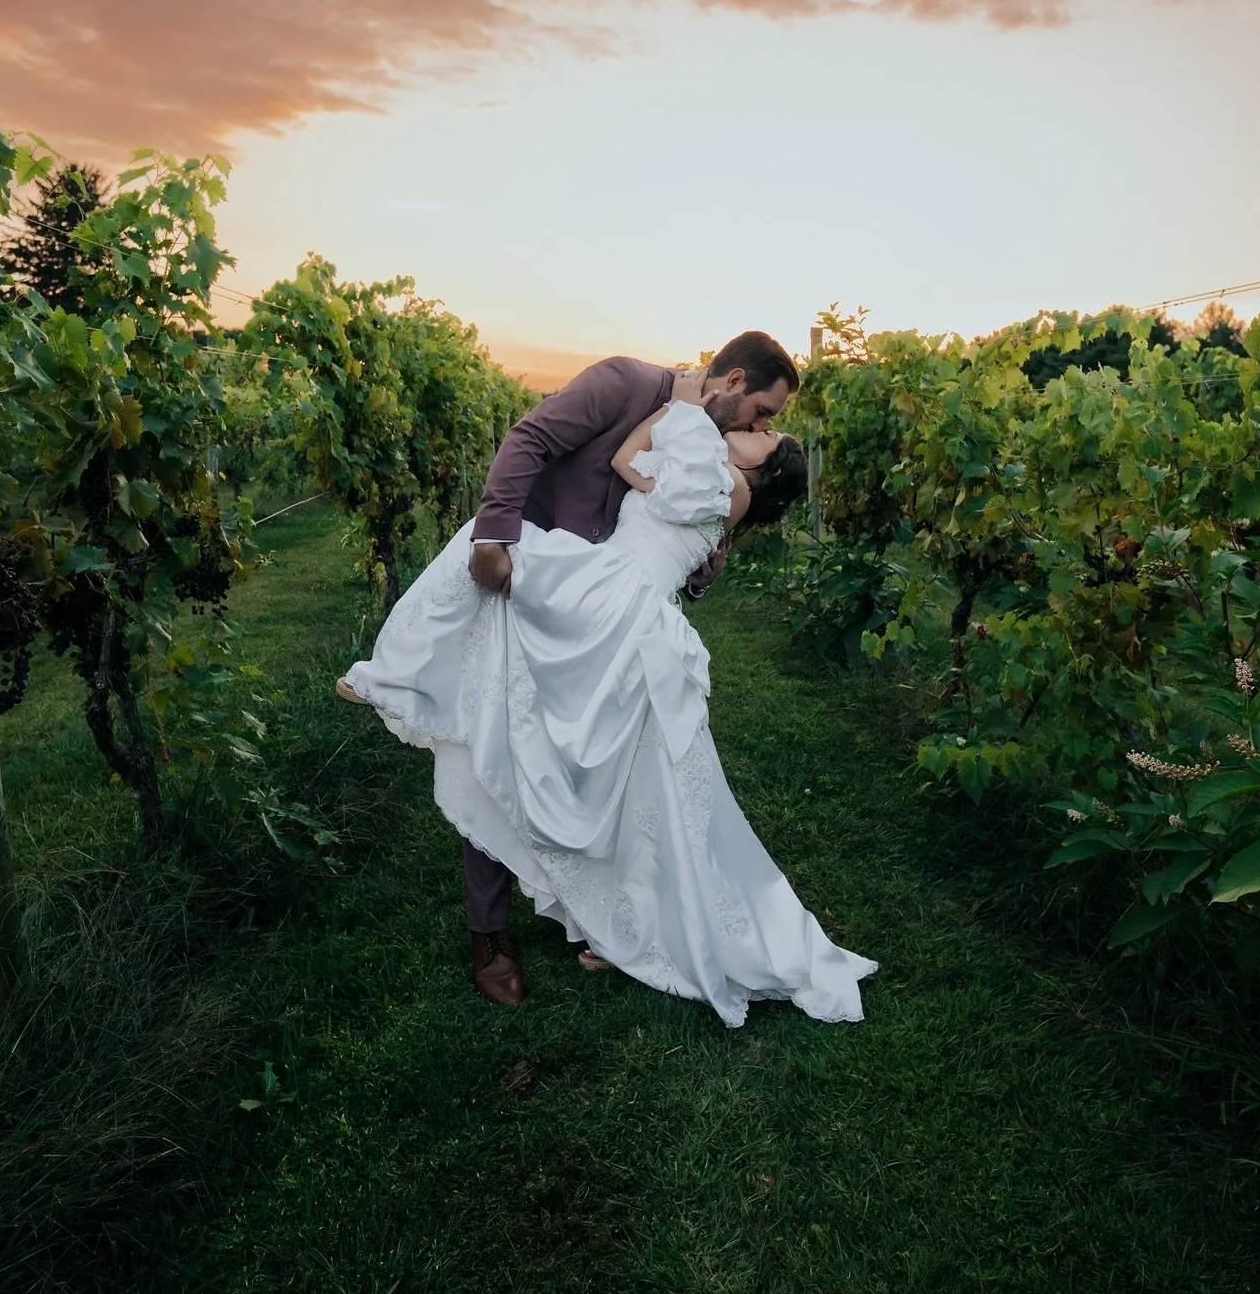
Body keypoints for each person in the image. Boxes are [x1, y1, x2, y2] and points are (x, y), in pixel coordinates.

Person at [337, 332, 877, 1026]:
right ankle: (489, 936)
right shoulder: (626, 384)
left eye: (767, 427)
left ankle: (601, 918)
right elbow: (528, 440)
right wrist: (494, 537)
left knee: (598, 779)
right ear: (734, 380)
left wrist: (702, 559)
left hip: (610, 619)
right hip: (536, 591)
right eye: (761, 414)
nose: (761, 428)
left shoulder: (715, 452)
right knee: (496, 749)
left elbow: (695, 542)